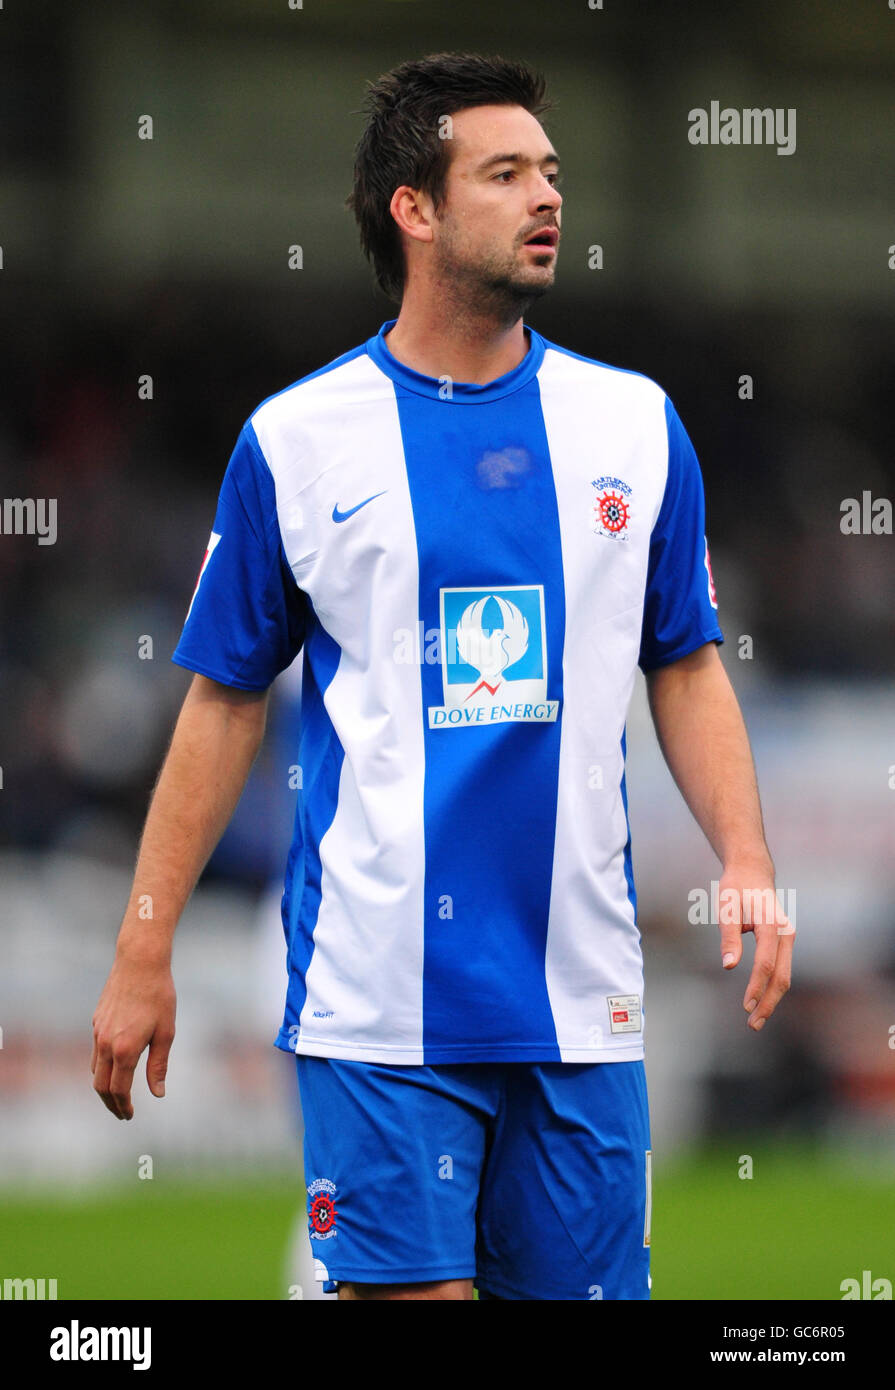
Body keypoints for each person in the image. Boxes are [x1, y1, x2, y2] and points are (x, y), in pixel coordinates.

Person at [92, 51, 794, 1301]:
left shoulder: (633, 424)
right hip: (378, 1003)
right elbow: (222, 700)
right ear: (413, 209)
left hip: (582, 1003)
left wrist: (744, 855)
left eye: (553, 172)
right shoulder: (296, 441)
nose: (548, 198)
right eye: (507, 172)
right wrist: (144, 951)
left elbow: (683, 660)